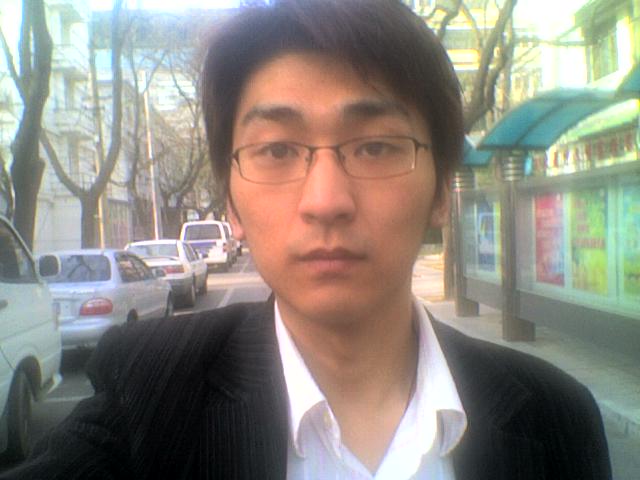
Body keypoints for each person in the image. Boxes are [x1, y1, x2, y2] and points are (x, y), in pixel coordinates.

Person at [2, 1, 611, 479]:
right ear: (232, 201)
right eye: (276, 150)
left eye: (376, 146)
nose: (325, 200)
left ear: (439, 192)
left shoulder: (556, 417)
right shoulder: (149, 398)